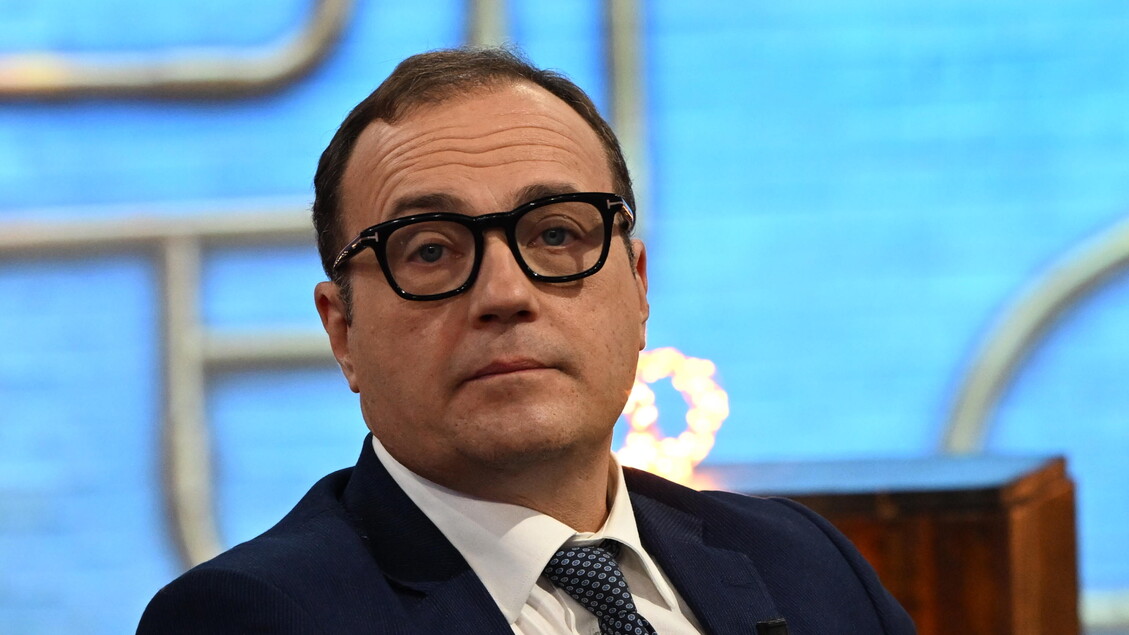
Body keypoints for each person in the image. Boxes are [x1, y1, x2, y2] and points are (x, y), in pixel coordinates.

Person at [138, 47, 915, 634]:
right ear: (343, 331)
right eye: (430, 250)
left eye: (554, 233)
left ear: (637, 286)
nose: (504, 294)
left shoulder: (802, 563)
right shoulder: (252, 615)